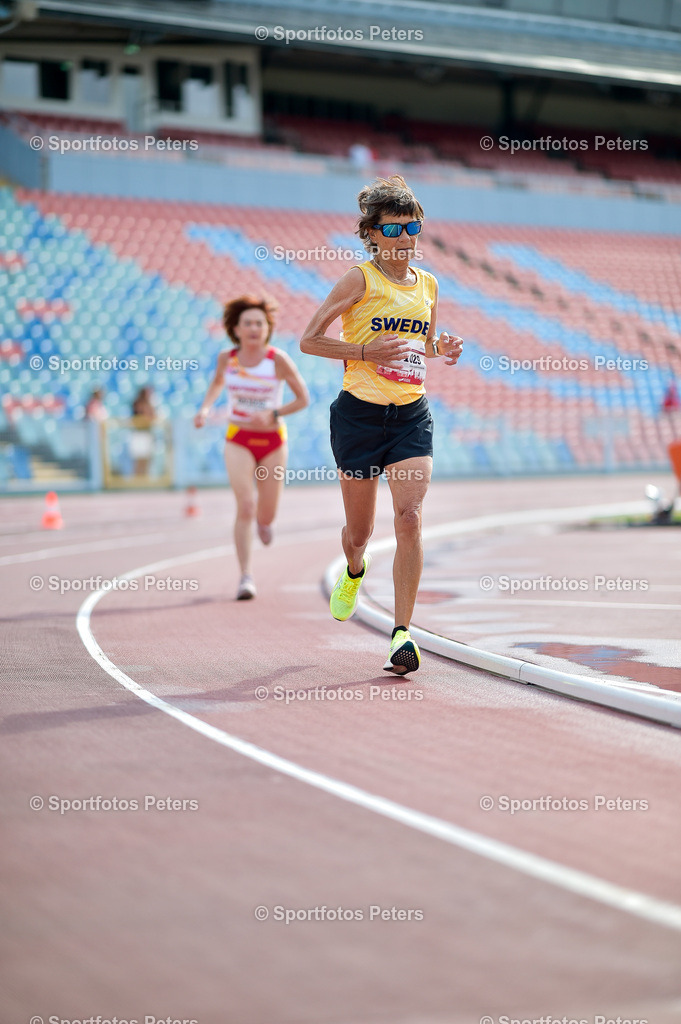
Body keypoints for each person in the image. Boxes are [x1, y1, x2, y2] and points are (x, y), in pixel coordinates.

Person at [300, 174, 463, 674]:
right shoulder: (359, 280)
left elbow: (423, 346)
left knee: (410, 517)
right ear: (372, 235)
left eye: (412, 227)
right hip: (359, 417)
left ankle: (401, 635)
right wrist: (364, 351)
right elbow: (309, 340)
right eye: (393, 230)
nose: (405, 239)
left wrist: (443, 349)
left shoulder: (429, 284)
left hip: (411, 416)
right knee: (360, 531)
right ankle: (354, 569)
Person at [195, 295, 309, 600]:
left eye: (260, 323)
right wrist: (206, 409)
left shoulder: (278, 360)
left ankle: (265, 521)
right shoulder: (227, 359)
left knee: (266, 512)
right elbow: (217, 383)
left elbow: (303, 400)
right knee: (245, 505)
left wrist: (272, 414)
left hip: (272, 441)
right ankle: (246, 576)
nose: (254, 328)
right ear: (236, 328)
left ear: (267, 328)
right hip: (239, 438)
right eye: (248, 323)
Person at [129, 386, 156, 477]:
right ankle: (137, 479)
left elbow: (153, 416)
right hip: (139, 433)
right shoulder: (138, 403)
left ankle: (145, 478)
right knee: (138, 459)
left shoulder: (150, 404)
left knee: (147, 459)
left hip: (147, 433)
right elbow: (141, 413)